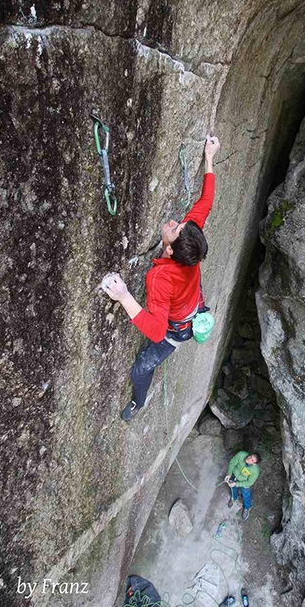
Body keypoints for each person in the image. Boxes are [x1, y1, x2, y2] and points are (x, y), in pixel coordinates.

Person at [102, 135, 220, 421]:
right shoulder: (189, 245)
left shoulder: (160, 278)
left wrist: (123, 296)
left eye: (174, 228)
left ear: (168, 249)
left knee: (141, 368)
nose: (172, 223)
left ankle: (137, 403)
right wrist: (209, 159)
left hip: (177, 329)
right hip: (191, 300)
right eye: (180, 224)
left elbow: (156, 331)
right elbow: (206, 201)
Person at [225, 451, 261, 521]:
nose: (249, 459)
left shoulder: (255, 471)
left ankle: (247, 507)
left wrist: (237, 484)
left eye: (252, 460)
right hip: (235, 475)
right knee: (232, 488)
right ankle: (233, 498)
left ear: (254, 464)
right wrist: (229, 473)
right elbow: (232, 463)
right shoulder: (241, 455)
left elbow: (249, 482)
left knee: (246, 494)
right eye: (250, 456)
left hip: (244, 482)